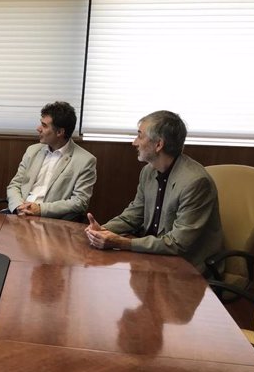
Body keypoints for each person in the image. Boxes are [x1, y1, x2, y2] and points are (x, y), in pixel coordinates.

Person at [84, 110, 222, 273]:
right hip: (152, 258)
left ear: (158, 145)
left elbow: (177, 244)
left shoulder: (195, 182)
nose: (134, 143)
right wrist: (102, 231)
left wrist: (121, 242)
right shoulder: (148, 171)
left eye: (140, 136)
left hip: (186, 266)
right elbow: (134, 215)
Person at [7, 101, 96, 220]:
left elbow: (79, 202)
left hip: (50, 219)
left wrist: (40, 209)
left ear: (59, 132)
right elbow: (14, 185)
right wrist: (18, 206)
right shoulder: (32, 151)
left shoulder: (85, 160)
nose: (38, 129)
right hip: (19, 214)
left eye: (44, 126)